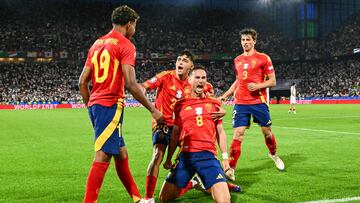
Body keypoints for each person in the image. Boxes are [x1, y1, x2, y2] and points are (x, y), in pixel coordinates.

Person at [78, 5, 162, 203]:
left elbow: (82, 82)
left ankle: (137, 198)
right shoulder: (126, 45)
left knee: (121, 153)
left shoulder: (96, 44)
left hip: (97, 105)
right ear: (129, 24)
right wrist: (153, 109)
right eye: (135, 25)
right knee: (104, 155)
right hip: (111, 105)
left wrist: (90, 107)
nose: (135, 29)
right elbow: (131, 84)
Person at [141, 51, 215, 202]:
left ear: (191, 66)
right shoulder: (165, 76)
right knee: (157, 155)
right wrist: (151, 106)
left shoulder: (194, 83)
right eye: (179, 59)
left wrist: (219, 109)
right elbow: (143, 86)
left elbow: (210, 99)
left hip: (182, 128)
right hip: (163, 124)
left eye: (185, 60)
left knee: (194, 157)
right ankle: (148, 198)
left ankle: (199, 181)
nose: (180, 62)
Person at [219, 28, 285, 181]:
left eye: (248, 39)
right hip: (241, 103)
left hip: (258, 102)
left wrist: (258, 86)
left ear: (254, 41)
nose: (245, 42)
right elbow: (238, 81)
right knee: (238, 134)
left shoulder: (264, 58)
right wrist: (225, 95)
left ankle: (274, 155)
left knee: (267, 133)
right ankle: (232, 169)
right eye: (243, 40)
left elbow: (272, 81)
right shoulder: (237, 60)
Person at [159, 66, 231, 203]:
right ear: (190, 80)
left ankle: (208, 183)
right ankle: (194, 183)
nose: (201, 81)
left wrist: (225, 157)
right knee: (164, 198)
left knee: (224, 200)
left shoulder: (214, 104)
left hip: (208, 156)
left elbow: (220, 132)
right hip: (186, 157)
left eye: (203, 78)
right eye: (197, 77)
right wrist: (169, 159)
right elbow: (175, 135)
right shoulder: (180, 105)